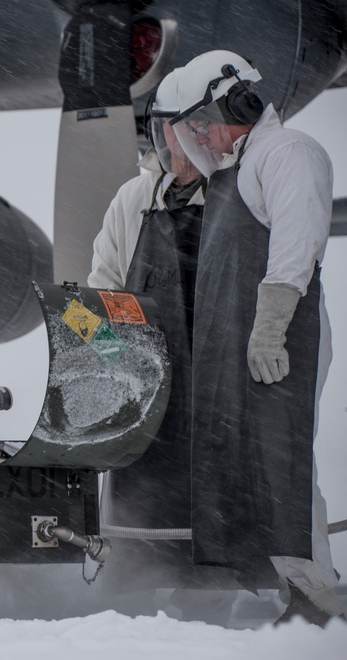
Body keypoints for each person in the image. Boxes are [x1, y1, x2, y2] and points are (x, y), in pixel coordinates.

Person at [169, 49, 344, 626]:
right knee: (249, 463)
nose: (201, 138)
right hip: (238, 347)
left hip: (280, 340)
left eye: (203, 124)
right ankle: (296, 585)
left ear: (238, 104)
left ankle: (316, 595)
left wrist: (269, 329)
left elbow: (297, 243)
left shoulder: (289, 153)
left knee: (281, 462)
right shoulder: (239, 168)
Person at [89, 70, 238, 626]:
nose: (175, 145)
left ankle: (212, 599)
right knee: (143, 490)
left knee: (218, 486)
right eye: (166, 133)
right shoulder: (133, 201)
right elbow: (101, 291)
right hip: (149, 382)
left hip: (220, 378)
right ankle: (126, 607)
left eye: (188, 131)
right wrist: (113, 360)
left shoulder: (237, 191)